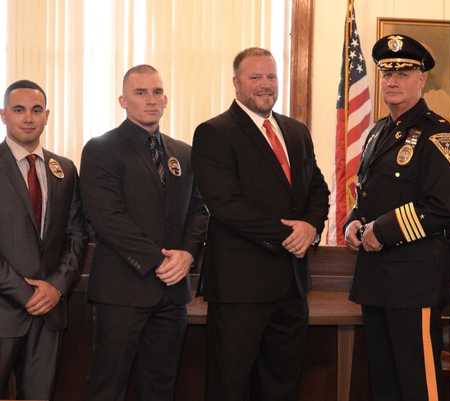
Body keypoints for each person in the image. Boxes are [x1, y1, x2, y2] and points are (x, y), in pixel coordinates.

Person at [191, 47, 329, 401]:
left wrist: (311, 227)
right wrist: (291, 234)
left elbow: (318, 188)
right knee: (231, 384)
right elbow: (225, 205)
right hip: (241, 289)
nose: (265, 84)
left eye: (271, 76)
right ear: (236, 83)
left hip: (292, 286)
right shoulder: (213, 133)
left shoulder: (296, 131)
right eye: (255, 77)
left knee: (283, 383)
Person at [344, 34, 450, 401]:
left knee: (417, 380)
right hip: (376, 276)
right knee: (383, 379)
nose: (393, 80)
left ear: (422, 79)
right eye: (387, 72)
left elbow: (445, 207)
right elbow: (368, 192)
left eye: (404, 71)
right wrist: (354, 220)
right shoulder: (377, 132)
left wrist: (382, 230)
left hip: (415, 278)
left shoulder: (439, 134)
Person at [81, 65, 208, 401]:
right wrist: (157, 260)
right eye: (140, 93)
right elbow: (107, 218)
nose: (151, 100)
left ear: (165, 98)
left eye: (157, 92)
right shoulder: (101, 148)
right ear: (123, 100)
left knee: (162, 387)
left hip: (172, 294)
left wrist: (187, 254)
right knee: (107, 387)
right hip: (122, 291)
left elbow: (199, 211)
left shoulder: (183, 152)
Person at [0, 79, 86, 399]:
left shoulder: (64, 169)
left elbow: (77, 234)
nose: (28, 118)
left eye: (37, 110)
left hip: (49, 313)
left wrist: (56, 287)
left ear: (47, 116)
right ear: (3, 115)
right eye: (19, 109)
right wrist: (23, 291)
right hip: (3, 307)